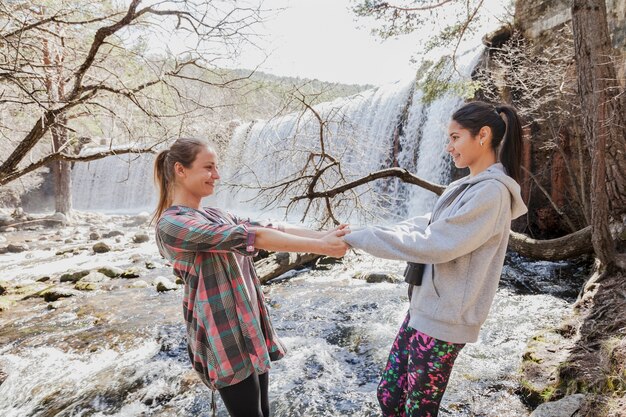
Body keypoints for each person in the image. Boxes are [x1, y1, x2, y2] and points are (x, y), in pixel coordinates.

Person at [343, 101, 528, 417]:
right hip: (423, 308)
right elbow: (424, 225)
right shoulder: (464, 187)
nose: (449, 147)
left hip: (444, 321)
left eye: (455, 138)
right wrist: (359, 232)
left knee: (419, 410)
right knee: (389, 395)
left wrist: (360, 240)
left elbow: (435, 244)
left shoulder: (492, 193)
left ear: (482, 136)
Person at [152, 138, 349, 417]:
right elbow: (250, 236)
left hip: (249, 325)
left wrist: (325, 235)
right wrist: (322, 247)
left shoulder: (214, 213)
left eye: (216, 167)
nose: (216, 175)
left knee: (263, 412)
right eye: (208, 167)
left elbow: (268, 227)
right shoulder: (172, 224)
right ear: (180, 170)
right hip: (222, 334)